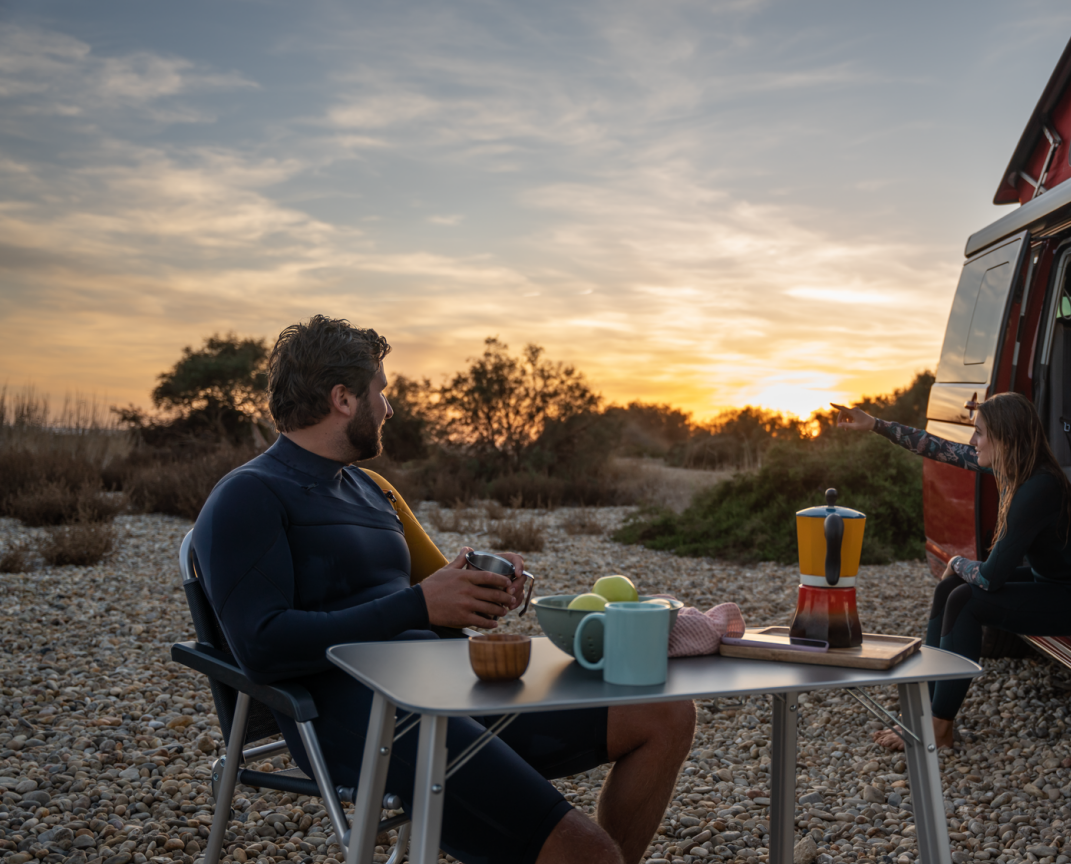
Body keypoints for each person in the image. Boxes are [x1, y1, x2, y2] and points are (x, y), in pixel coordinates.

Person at [193, 315, 695, 864]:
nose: (388, 407)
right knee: (589, 855)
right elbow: (262, 645)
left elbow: (430, 595)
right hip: (360, 715)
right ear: (342, 398)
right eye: (380, 392)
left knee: (665, 715)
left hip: (448, 683)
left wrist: (476, 589)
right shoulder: (250, 495)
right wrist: (419, 603)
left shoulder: (372, 491)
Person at [832, 392, 1071, 750]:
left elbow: (990, 577)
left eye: (979, 433)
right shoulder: (1014, 465)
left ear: (1006, 438)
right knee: (947, 591)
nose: (971, 442)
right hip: (1050, 583)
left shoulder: (1037, 489)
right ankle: (927, 714)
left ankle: (940, 728)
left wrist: (955, 562)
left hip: (1070, 601)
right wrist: (874, 423)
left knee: (966, 598)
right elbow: (935, 447)